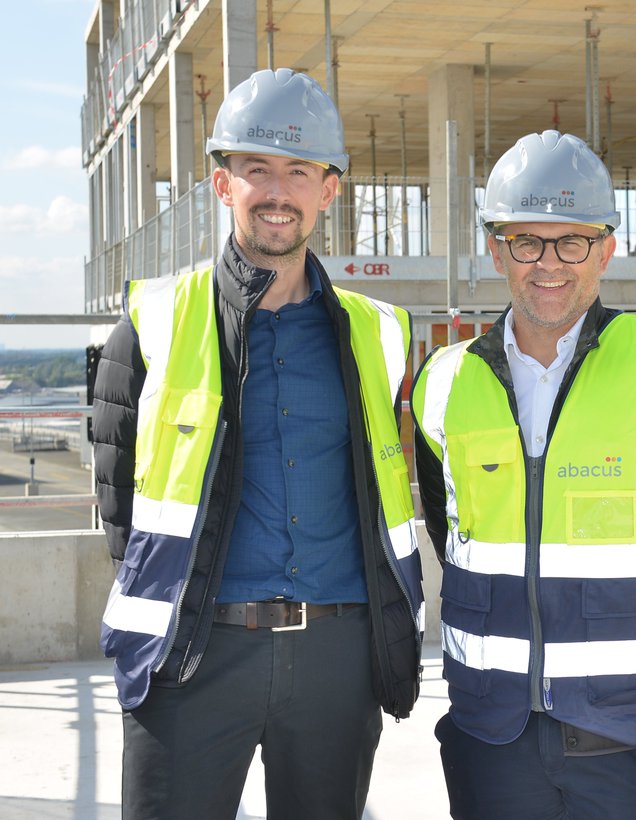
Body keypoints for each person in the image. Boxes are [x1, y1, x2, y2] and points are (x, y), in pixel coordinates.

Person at [92, 68, 424, 819]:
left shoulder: (383, 334)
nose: (279, 190)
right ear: (222, 184)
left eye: (299, 170)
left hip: (338, 658)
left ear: (329, 190)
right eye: (257, 169)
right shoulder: (152, 324)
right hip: (192, 656)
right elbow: (119, 505)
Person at [410, 130, 636, 820]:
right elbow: (447, 530)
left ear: (606, 249)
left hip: (630, 745)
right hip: (492, 737)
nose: (549, 263)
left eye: (571, 241)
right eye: (527, 242)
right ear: (497, 250)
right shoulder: (443, 381)